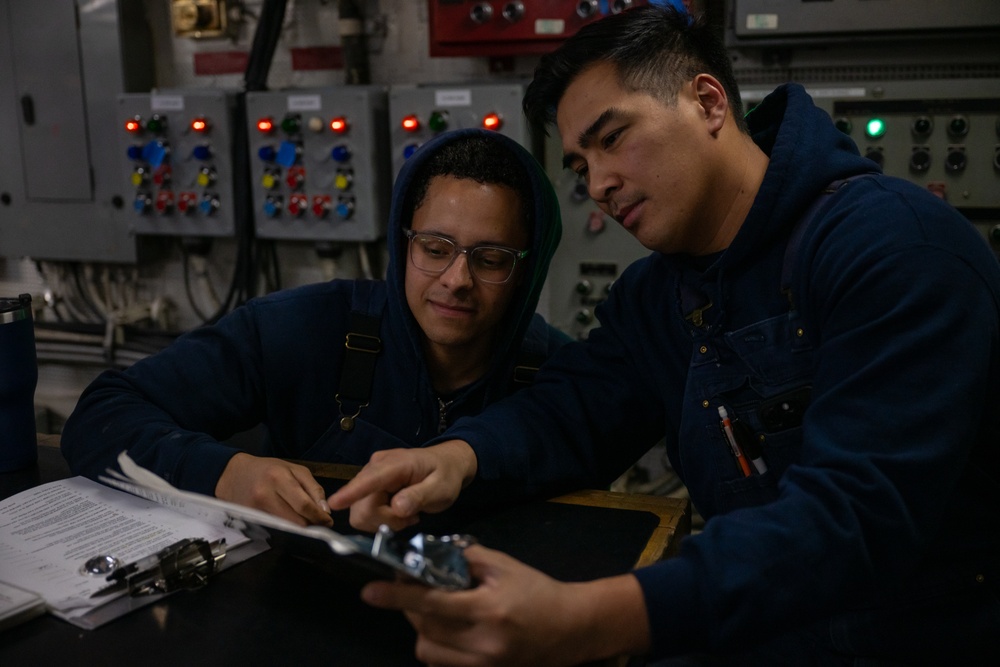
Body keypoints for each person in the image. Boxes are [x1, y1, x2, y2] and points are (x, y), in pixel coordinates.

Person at [328, 6, 1000, 666]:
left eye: (613, 138)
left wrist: (585, 620)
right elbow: (573, 412)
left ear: (708, 102)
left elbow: (853, 520)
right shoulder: (658, 296)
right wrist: (459, 457)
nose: (599, 184)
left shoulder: (895, 249)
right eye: (580, 164)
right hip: (757, 631)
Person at [61, 128, 567, 527]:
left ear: (528, 270)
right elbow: (102, 413)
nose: (456, 280)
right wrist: (224, 473)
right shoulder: (303, 328)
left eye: (491, 259)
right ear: (402, 243)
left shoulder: (565, 379)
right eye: (435, 249)